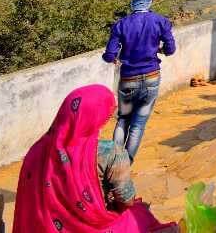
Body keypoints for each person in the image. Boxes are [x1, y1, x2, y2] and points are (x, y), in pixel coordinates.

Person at [13, 84, 178, 233]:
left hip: (42, 227)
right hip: (94, 227)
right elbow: (126, 201)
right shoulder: (110, 153)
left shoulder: (36, 151)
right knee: (140, 214)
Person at [103, 0, 176, 160]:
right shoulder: (160, 21)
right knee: (138, 125)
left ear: (133, 0)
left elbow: (109, 55)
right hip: (151, 76)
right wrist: (159, 50)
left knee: (123, 120)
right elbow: (171, 49)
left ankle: (113, 162)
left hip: (128, 79)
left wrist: (114, 58)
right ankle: (124, 166)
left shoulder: (121, 25)